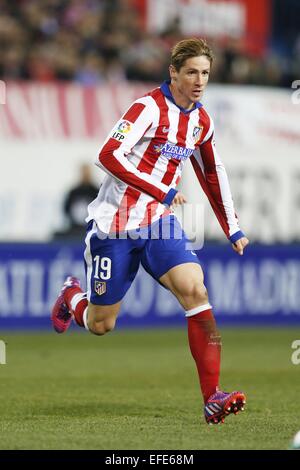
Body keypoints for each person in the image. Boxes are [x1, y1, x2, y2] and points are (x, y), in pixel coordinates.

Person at [51, 38, 249, 425]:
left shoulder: (201, 121)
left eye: (205, 73)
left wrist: (232, 227)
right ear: (173, 73)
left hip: (159, 223)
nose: (199, 80)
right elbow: (108, 154)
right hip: (115, 226)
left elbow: (211, 171)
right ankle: (72, 296)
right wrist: (161, 189)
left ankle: (213, 397)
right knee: (100, 324)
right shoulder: (146, 108)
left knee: (196, 289)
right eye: (191, 71)